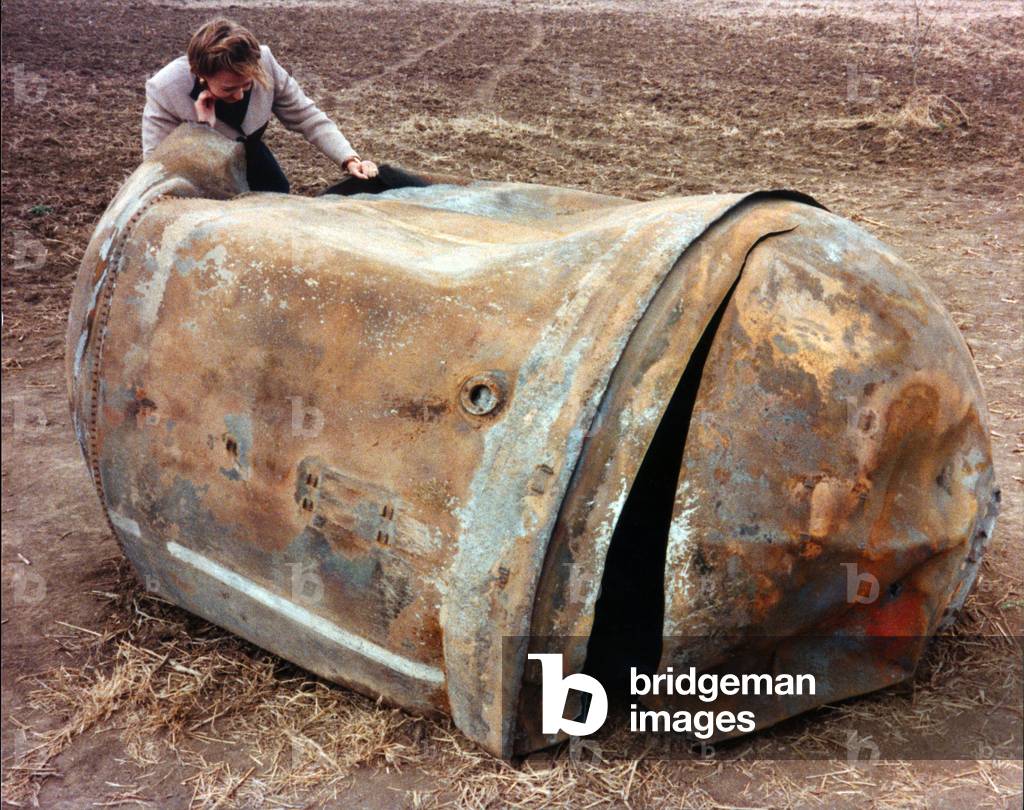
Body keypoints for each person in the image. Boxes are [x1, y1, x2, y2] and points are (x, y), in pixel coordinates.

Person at [142, 18, 378, 192]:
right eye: (228, 89)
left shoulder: (265, 61)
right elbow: (156, 166)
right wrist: (203, 129)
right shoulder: (165, 89)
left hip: (252, 156)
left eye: (246, 85)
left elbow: (307, 117)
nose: (239, 96)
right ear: (200, 73)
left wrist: (348, 159)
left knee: (280, 205)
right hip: (198, 177)